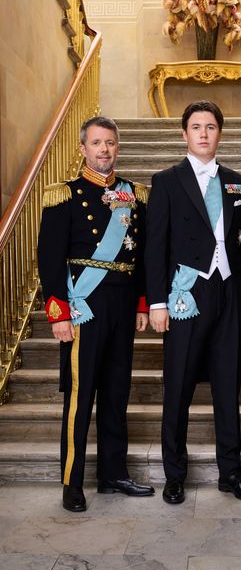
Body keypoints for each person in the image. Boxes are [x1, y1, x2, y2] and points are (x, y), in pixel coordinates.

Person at [38, 116, 155, 512]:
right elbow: (50, 260)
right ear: (83, 148)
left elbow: (140, 256)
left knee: (117, 393)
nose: (104, 150)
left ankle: (113, 474)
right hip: (83, 307)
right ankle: (72, 481)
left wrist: (141, 302)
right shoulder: (64, 196)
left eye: (111, 143)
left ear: (117, 148)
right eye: (97, 143)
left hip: (123, 306)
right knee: (80, 395)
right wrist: (58, 314)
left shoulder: (135, 196)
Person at [145, 100, 241, 504]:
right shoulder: (166, 181)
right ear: (184, 134)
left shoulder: (237, 182)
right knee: (177, 387)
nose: (204, 133)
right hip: (184, 296)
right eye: (196, 127)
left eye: (211, 126)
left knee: (228, 386)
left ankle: (231, 474)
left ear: (220, 133)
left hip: (228, 293)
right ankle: (174, 475)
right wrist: (156, 302)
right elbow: (154, 247)